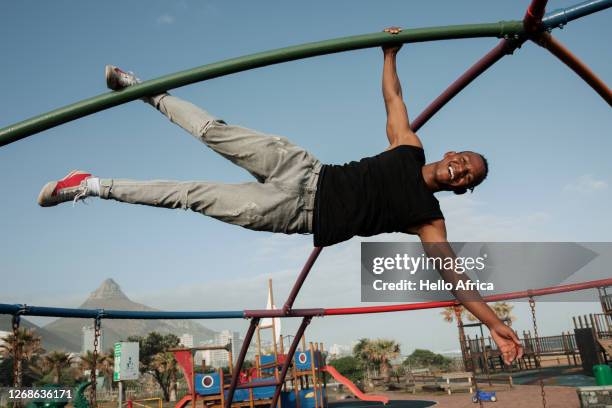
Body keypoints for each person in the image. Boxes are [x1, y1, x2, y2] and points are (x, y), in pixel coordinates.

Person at [38, 28, 523, 363]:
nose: (460, 170)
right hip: (303, 167)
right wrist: (389, 54)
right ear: (454, 152)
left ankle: (90, 185)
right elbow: (394, 101)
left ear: (463, 189)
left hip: (296, 212)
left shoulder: (428, 219)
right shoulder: (410, 149)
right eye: (465, 161)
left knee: (190, 194)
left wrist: (495, 324)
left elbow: (456, 279)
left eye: (467, 178)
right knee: (212, 131)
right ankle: (142, 89)